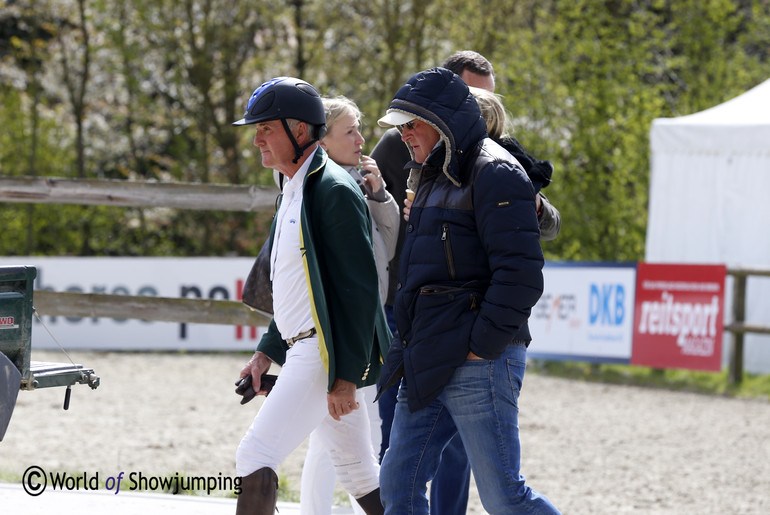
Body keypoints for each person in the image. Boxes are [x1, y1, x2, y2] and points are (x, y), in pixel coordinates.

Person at [371, 50, 560, 514]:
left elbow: (520, 274)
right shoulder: (430, 172)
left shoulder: (496, 170)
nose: (402, 135)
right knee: (397, 485)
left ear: (441, 120)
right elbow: (416, 272)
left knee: (504, 500)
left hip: (478, 356)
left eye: (411, 124)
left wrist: (482, 345)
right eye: (400, 126)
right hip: (430, 350)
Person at [231, 76, 389, 515]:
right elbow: (295, 290)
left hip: (320, 356)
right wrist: (266, 352)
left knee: (254, 456)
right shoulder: (292, 187)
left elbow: (359, 293)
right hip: (308, 349)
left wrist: (345, 378)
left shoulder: (333, 191)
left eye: (266, 128)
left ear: (300, 131)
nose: (258, 138)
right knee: (360, 475)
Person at [299, 96, 399, 515]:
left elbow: (389, 250)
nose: (362, 140)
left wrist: (379, 196)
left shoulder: (355, 181)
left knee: (338, 439)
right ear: (322, 141)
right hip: (343, 333)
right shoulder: (328, 189)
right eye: (351, 131)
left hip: (360, 328)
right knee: (349, 439)